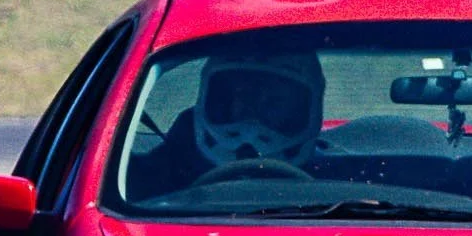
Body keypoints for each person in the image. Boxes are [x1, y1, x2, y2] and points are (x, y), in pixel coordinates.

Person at [130, 51, 325, 198]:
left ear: (302, 110)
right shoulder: (167, 167)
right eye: (242, 96)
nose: (252, 118)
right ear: (218, 101)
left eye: (274, 102)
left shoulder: (331, 183)